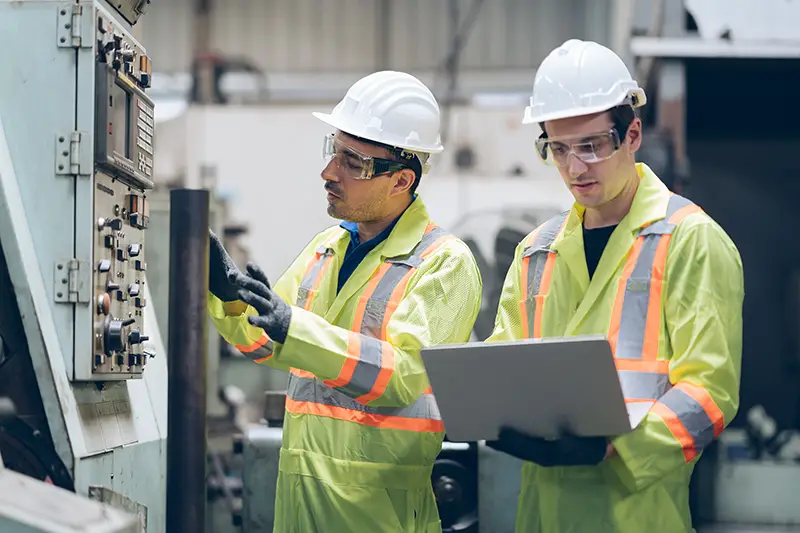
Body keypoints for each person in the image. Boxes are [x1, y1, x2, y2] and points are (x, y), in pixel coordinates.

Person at [207, 71, 483, 533]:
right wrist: (226, 295)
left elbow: (401, 375)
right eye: (333, 152)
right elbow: (264, 341)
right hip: (300, 506)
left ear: (401, 180)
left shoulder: (444, 264)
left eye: (352, 162)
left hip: (376, 516)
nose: (329, 173)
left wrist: (293, 328)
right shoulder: (326, 249)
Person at [485, 39, 743, 532]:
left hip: (637, 513)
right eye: (557, 148)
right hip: (541, 515)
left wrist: (614, 448)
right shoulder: (536, 251)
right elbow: (504, 363)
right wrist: (492, 413)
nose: (574, 168)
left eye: (592, 145)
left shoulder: (690, 239)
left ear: (633, 135)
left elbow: (710, 393)